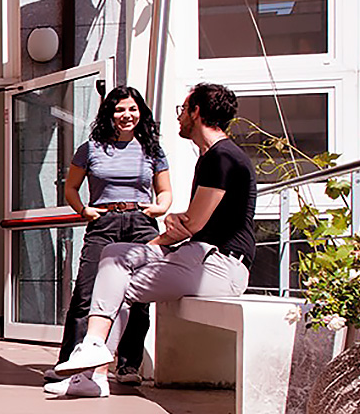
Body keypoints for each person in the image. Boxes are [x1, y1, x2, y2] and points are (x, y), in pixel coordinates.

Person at [54, 83, 257, 387]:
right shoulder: (210, 156)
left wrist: (164, 230)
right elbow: (193, 221)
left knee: (117, 282)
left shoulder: (223, 157)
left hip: (219, 264)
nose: (179, 117)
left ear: (196, 112)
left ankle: (95, 372)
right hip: (198, 256)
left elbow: (192, 223)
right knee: (112, 259)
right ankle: (92, 355)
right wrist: (173, 224)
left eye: (183, 109)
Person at [45, 87, 173, 397]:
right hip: (104, 223)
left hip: (141, 223)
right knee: (85, 292)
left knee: (138, 296)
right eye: (119, 109)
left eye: (132, 109)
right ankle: (69, 362)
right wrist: (83, 210)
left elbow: (165, 192)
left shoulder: (152, 149)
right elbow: (71, 188)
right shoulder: (90, 148)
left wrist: (159, 208)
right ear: (109, 114)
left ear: (140, 112)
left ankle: (127, 365)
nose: (126, 115)